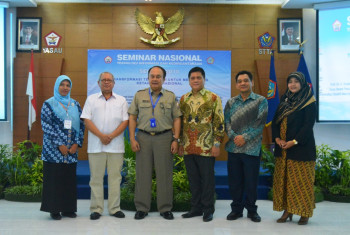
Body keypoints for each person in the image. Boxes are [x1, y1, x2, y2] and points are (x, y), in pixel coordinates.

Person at [128, 66, 181, 220]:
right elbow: (132, 117)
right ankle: (142, 208)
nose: (155, 79)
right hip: (143, 138)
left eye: (158, 76)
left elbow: (177, 118)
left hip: (164, 138)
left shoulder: (170, 96)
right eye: (152, 76)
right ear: (148, 78)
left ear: (164, 79)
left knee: (164, 173)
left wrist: (176, 139)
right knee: (143, 173)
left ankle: (165, 208)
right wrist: (132, 138)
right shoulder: (139, 95)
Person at [179, 67, 225, 222]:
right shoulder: (184, 99)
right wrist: (179, 142)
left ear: (204, 79)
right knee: (193, 179)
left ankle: (207, 209)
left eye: (198, 77)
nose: (196, 80)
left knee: (207, 179)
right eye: (192, 78)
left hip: (206, 146)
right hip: (187, 146)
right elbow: (180, 122)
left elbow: (219, 121)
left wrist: (217, 143)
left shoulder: (213, 98)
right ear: (189, 80)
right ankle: (196, 208)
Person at [81, 72, 129, 220]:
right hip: (96, 145)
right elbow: (86, 120)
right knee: (96, 178)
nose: (106, 82)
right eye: (104, 80)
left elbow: (125, 121)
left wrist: (111, 136)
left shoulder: (121, 100)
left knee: (115, 178)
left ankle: (114, 209)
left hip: (116, 146)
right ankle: (96, 209)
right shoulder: (91, 99)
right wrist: (101, 136)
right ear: (98, 82)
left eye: (109, 80)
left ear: (114, 83)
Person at [272, 71, 316, 225]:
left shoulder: (309, 102)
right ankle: (287, 210)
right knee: (285, 182)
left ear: (302, 84)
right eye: (290, 82)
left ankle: (304, 213)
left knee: (301, 182)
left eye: (296, 81)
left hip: (301, 149)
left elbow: (308, 125)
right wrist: (277, 139)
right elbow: (275, 122)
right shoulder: (284, 100)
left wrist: (294, 141)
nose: (292, 84)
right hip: (283, 150)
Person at [224, 70, 268, 223]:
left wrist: (245, 137)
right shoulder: (231, 102)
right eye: (240, 81)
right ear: (236, 84)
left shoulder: (260, 101)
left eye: (246, 80)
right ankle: (236, 210)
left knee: (251, 182)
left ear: (252, 83)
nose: (243, 83)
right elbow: (227, 123)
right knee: (235, 182)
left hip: (252, 149)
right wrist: (234, 137)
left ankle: (251, 210)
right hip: (233, 148)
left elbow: (260, 124)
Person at [40, 75, 85, 220]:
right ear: (57, 86)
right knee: (54, 179)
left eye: (68, 85)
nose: (65, 88)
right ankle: (54, 209)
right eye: (62, 85)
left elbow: (81, 125)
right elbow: (47, 126)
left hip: (71, 150)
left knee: (68, 179)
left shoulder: (75, 104)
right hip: (53, 150)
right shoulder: (49, 104)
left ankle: (68, 209)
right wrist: (60, 144)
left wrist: (76, 144)